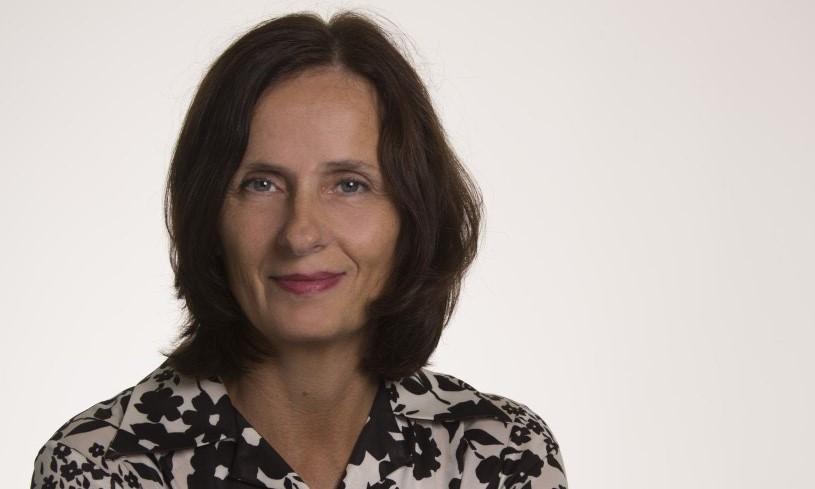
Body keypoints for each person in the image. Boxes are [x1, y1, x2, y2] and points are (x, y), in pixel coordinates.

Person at [30, 11, 567, 489]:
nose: (300, 233)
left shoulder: (500, 454)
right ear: (208, 214)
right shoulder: (102, 465)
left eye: (349, 184)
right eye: (261, 184)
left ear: (413, 213)